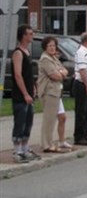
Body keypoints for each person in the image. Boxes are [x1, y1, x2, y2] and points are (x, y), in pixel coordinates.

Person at [11, 24, 40, 163]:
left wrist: (33, 87)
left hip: (29, 92)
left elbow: (29, 74)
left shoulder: (28, 52)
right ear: (23, 36)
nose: (32, 36)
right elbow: (18, 74)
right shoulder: (18, 53)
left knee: (28, 122)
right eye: (29, 33)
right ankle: (17, 151)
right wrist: (25, 93)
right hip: (20, 95)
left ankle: (25, 148)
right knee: (20, 122)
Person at [37, 36, 69, 153]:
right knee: (49, 119)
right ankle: (46, 144)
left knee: (62, 117)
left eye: (54, 45)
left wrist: (61, 73)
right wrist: (61, 74)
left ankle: (61, 141)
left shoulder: (54, 58)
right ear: (45, 47)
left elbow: (64, 70)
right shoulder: (45, 59)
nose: (52, 48)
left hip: (57, 91)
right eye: (49, 46)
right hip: (49, 91)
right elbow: (54, 75)